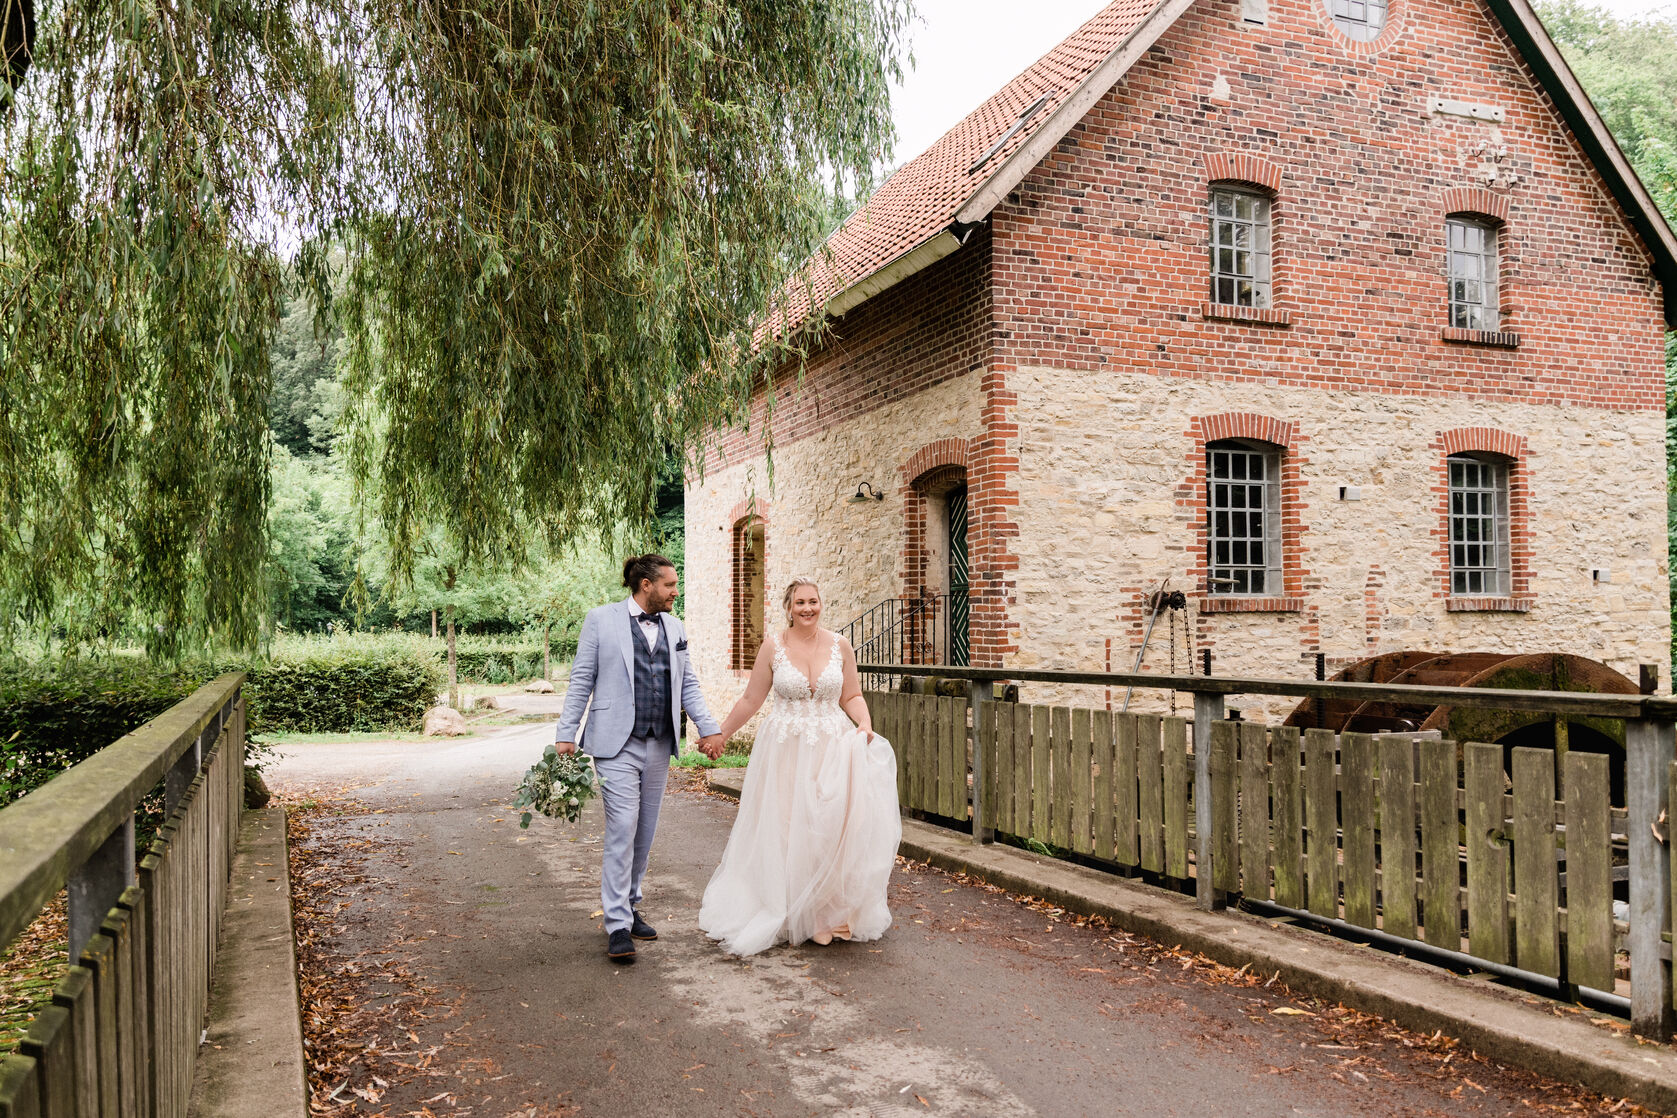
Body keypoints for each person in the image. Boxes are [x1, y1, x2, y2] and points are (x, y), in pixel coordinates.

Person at [699, 577, 901, 956]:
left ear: (821, 604)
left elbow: (852, 694)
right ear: (788, 607)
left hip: (831, 745)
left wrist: (864, 723)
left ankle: (826, 914)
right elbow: (750, 699)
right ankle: (791, 911)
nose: (808, 608)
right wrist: (720, 734)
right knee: (787, 827)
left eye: (813, 601)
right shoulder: (773, 647)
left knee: (827, 827)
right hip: (785, 748)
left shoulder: (841, 645)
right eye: (800, 603)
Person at [554, 554, 725, 964]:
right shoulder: (600, 620)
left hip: (658, 743)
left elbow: (690, 685)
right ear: (646, 585)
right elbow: (582, 678)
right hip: (615, 743)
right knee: (622, 827)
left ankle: (630, 904)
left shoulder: (675, 627)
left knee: (644, 833)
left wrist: (709, 726)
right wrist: (566, 734)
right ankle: (615, 924)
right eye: (669, 585)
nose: (675, 593)